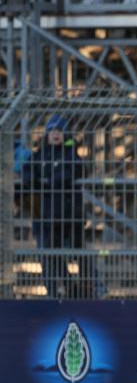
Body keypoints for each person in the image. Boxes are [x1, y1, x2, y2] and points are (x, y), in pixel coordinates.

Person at [21, 115, 93, 298]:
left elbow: (77, 169)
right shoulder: (40, 154)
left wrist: (55, 180)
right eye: (52, 130)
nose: (55, 134)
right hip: (46, 217)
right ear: (47, 134)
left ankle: (92, 290)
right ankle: (58, 292)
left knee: (81, 255)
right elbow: (28, 171)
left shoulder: (71, 153)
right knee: (50, 257)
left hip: (69, 216)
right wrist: (33, 179)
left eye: (59, 131)